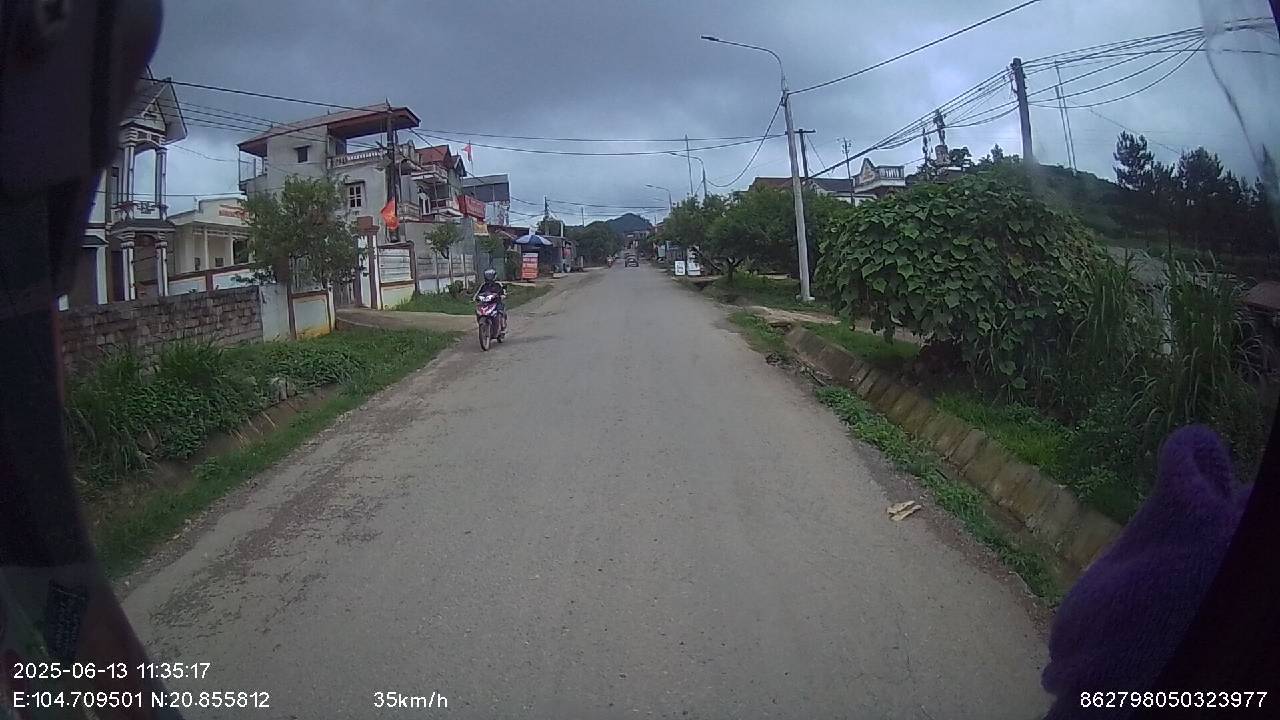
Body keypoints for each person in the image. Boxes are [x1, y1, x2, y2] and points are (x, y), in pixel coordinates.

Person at [474, 268, 507, 332]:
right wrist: (475, 297)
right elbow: (478, 293)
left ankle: (502, 326)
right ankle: (482, 325)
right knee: (478, 311)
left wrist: (502, 295)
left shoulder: (498, 284)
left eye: (490, 276)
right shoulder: (483, 285)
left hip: (496, 302)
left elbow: (503, 291)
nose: (489, 278)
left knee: (500, 311)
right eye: (488, 276)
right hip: (485, 303)